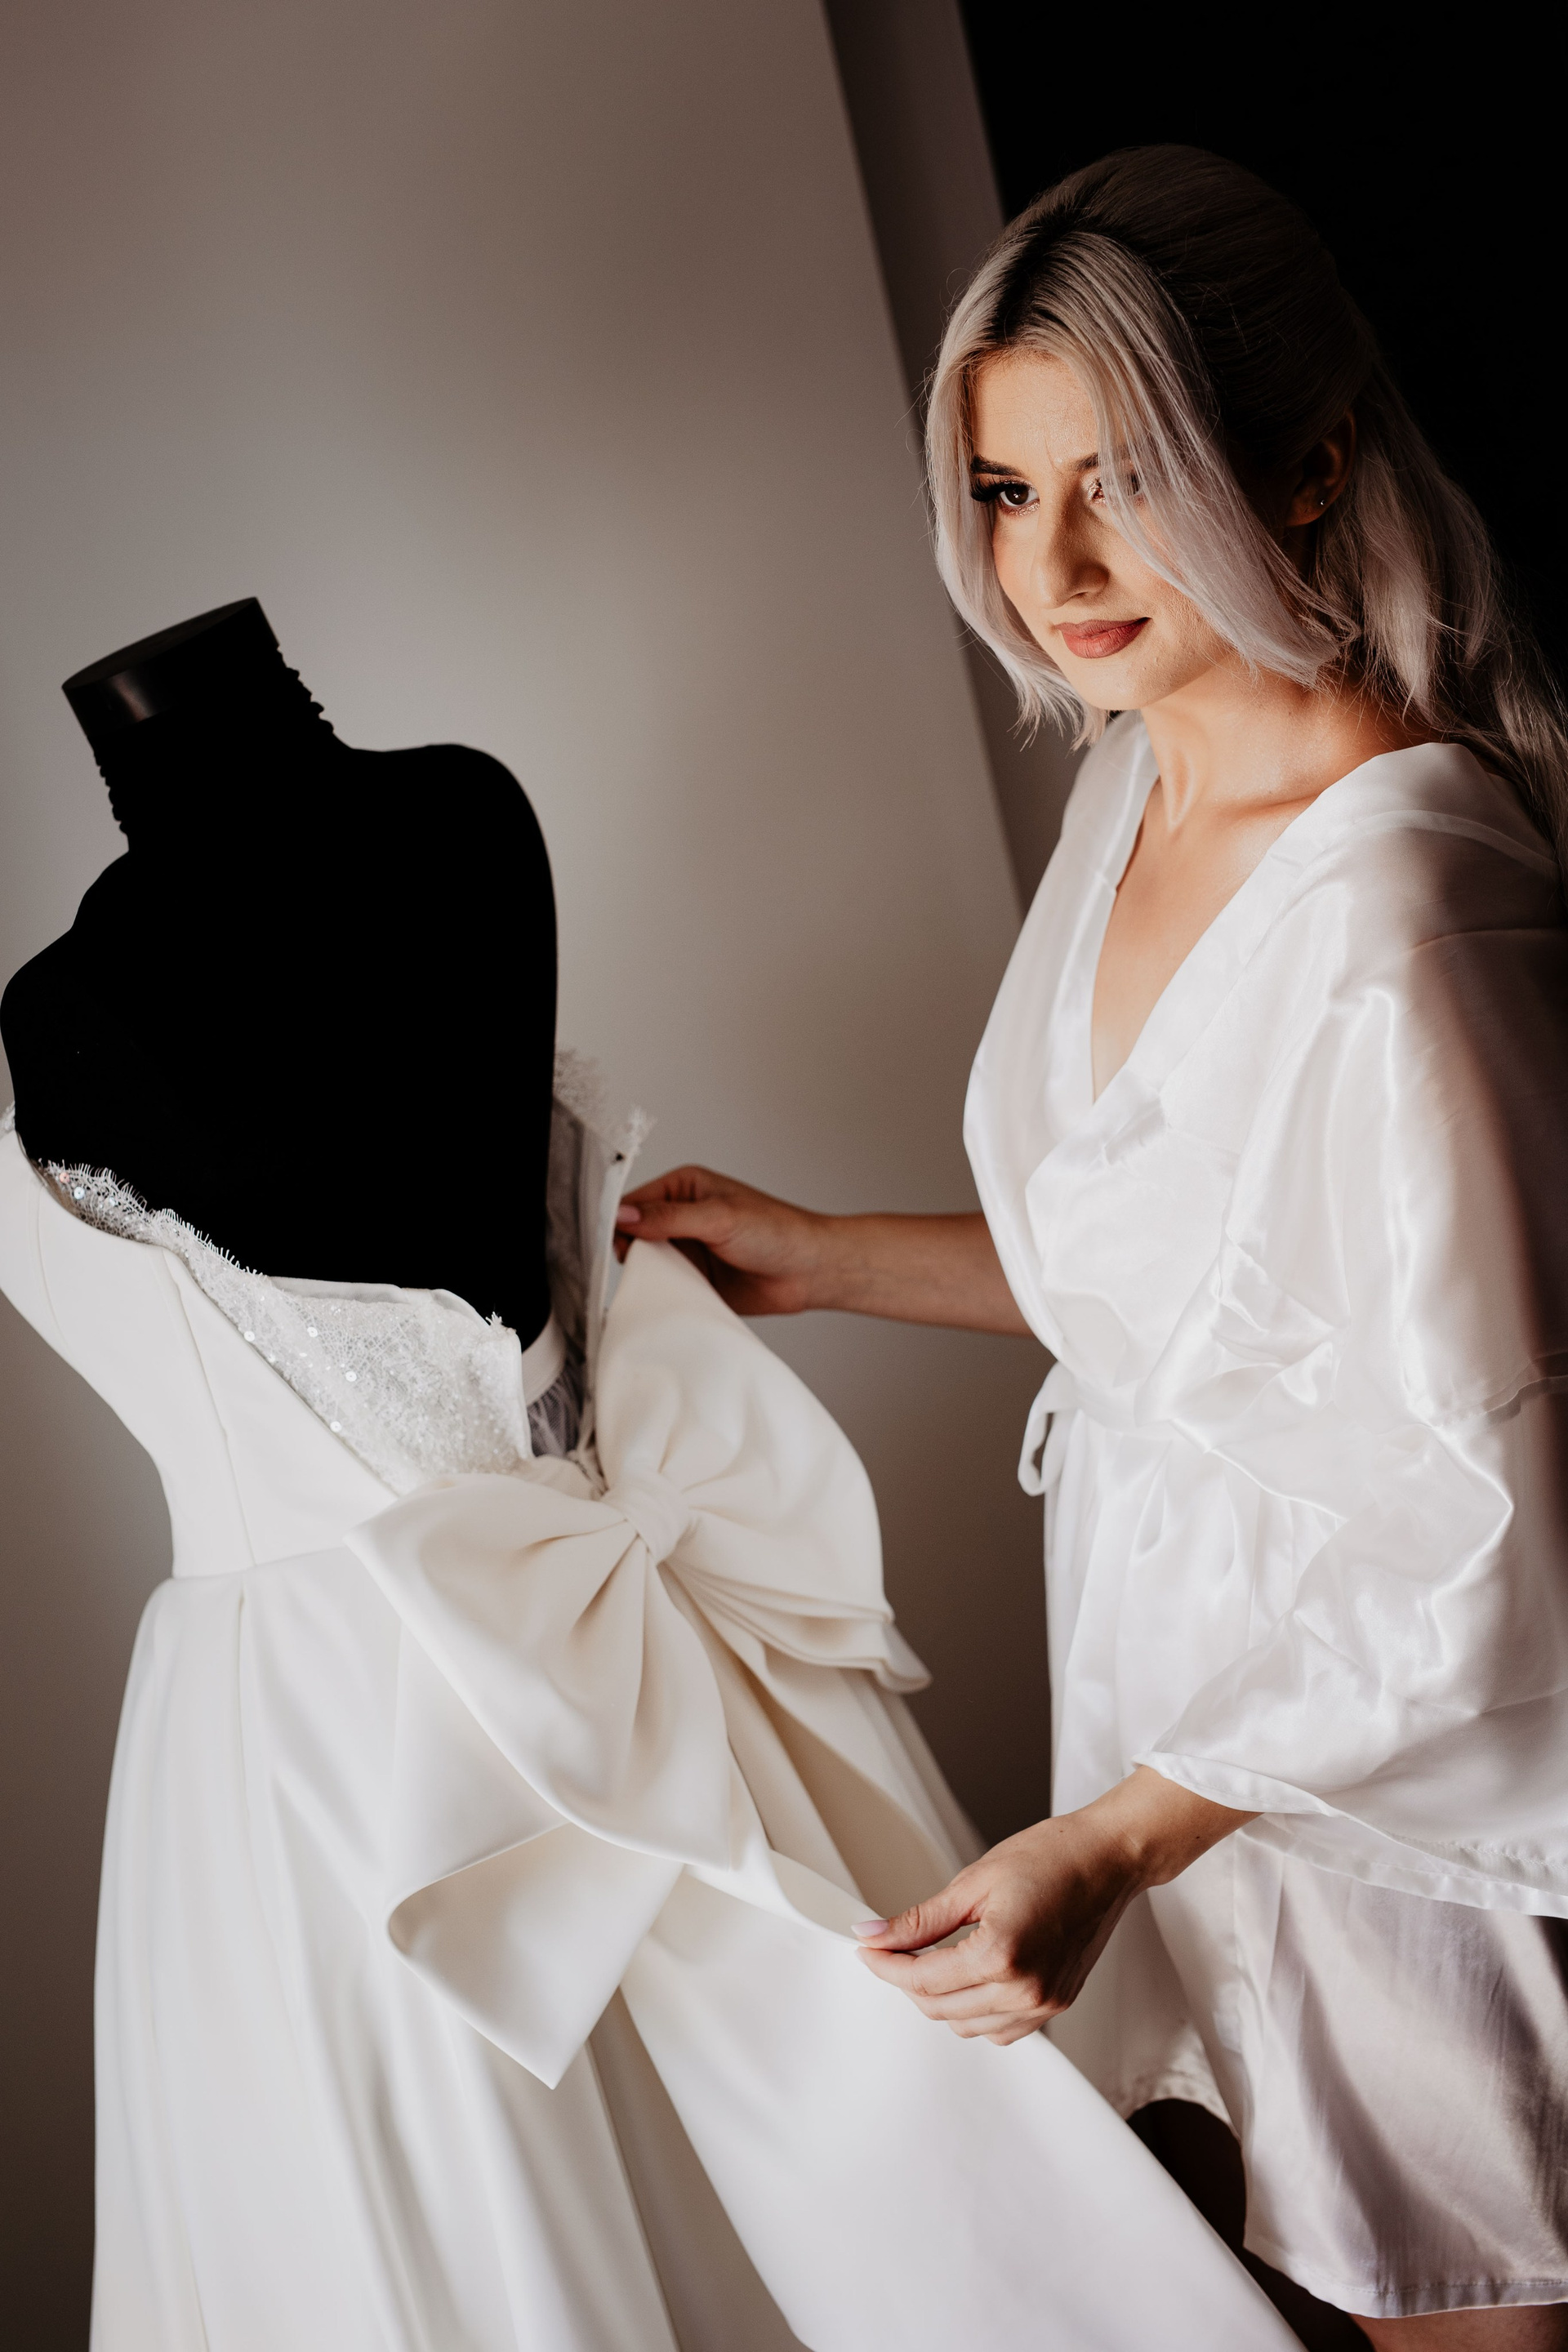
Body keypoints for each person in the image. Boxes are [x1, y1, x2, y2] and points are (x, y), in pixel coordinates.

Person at [617, 146, 1568, 2347]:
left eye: (1119, 483)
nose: (1047, 567)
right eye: (1001, 488)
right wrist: (831, 1256)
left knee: (1463, 2307)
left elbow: (1486, 1506)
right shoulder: (1133, 787)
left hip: (1376, 1771)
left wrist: (1121, 1840)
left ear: (1307, 465)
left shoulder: (1410, 922)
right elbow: (1203, 1305)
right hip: (1178, 1718)